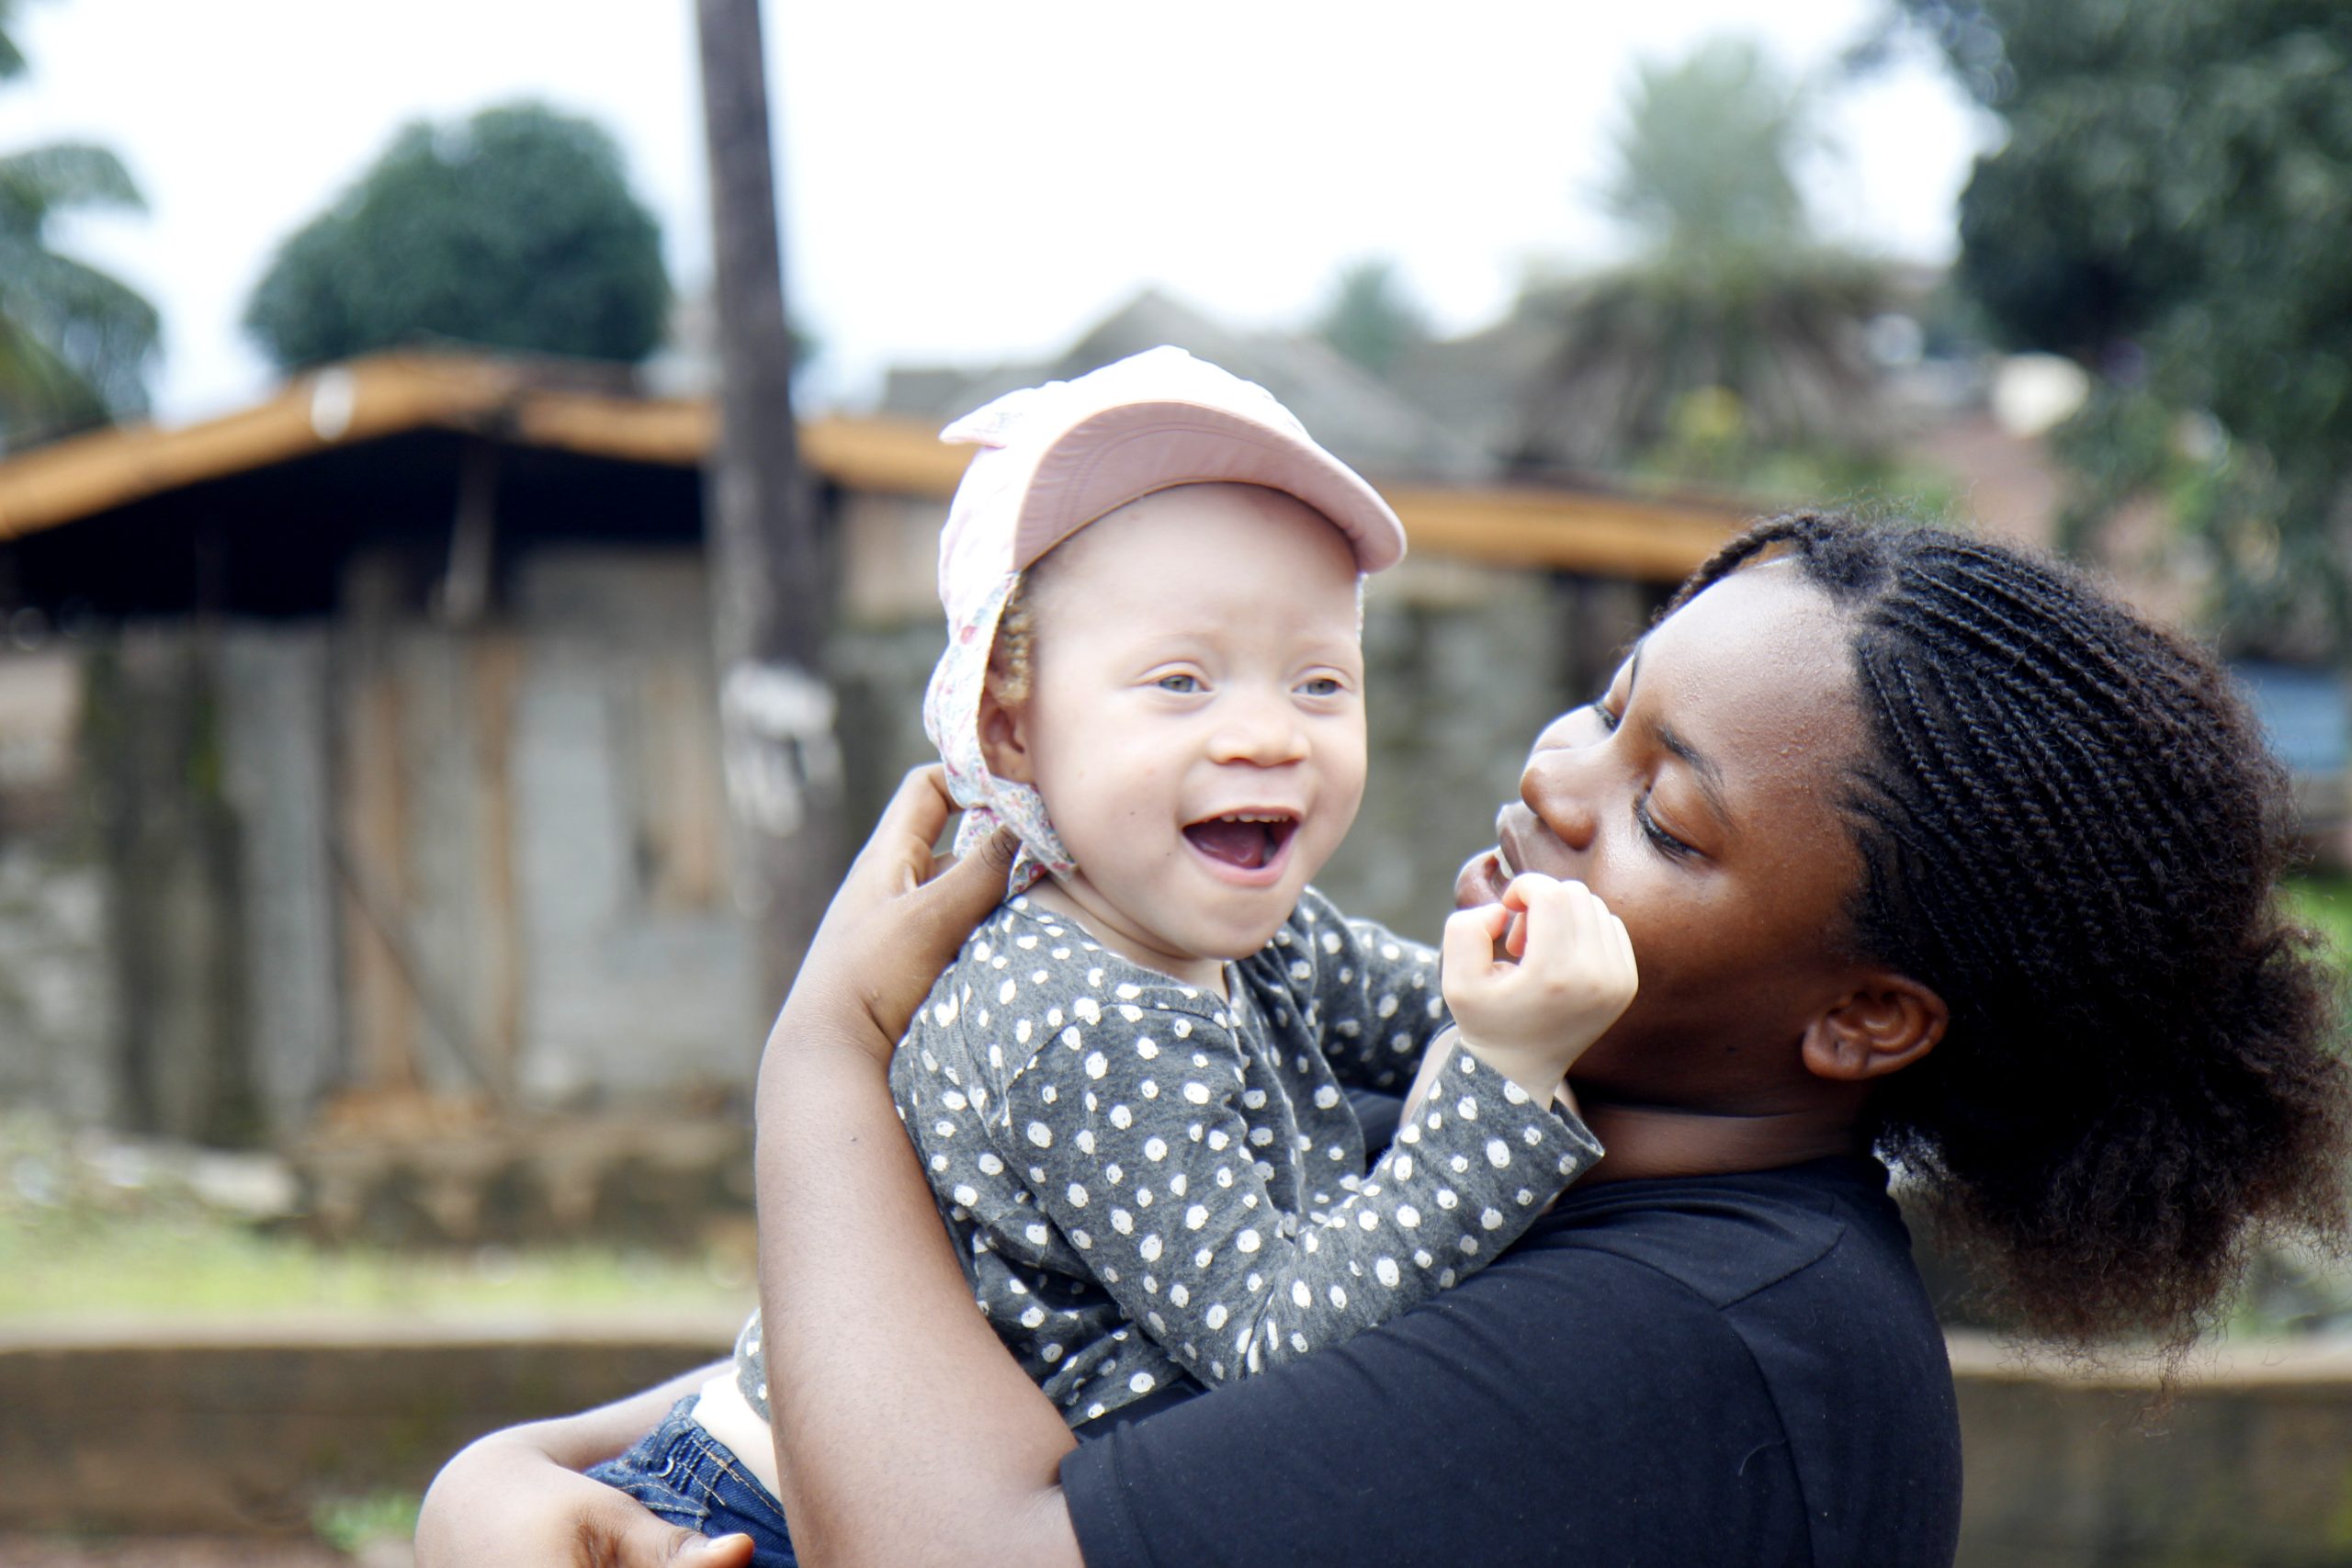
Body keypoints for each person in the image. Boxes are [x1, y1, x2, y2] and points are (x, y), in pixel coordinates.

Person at [418, 513, 2351, 1568]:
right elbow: (972, 1351)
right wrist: (517, 1472)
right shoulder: (1500, 1114)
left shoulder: (1695, 1343)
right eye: (1606, 702)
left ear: (1861, 1014)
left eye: (1667, 817)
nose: (1552, 775)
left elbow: (960, 1542)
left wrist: (825, 1059)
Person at [570, 348, 1631, 1562]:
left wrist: (1528, 984)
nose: (1266, 732)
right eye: (1180, 681)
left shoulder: (1261, 935)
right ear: (1014, 728)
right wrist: (1503, 1080)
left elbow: (1448, 1007)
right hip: (773, 1517)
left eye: (1321, 680)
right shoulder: (1076, 1014)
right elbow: (1276, 1341)